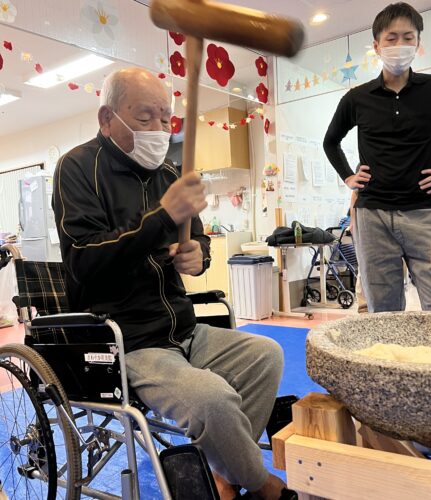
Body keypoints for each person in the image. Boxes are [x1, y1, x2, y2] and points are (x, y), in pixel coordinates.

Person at [52, 67, 293, 500]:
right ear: (107, 118)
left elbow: (198, 240)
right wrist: (161, 217)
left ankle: (223, 476)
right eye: (145, 118)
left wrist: (199, 255)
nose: (159, 130)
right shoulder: (77, 167)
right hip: (126, 339)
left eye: (165, 119)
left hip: (183, 328)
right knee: (212, 400)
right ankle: (260, 484)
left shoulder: (169, 173)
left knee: (266, 355)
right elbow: (84, 259)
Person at [323, 2, 431, 313]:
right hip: (372, 215)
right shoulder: (357, 98)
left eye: (408, 38)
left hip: (423, 211)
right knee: (383, 310)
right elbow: (331, 141)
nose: (400, 45)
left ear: (418, 43)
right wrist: (348, 177)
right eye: (391, 38)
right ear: (376, 45)